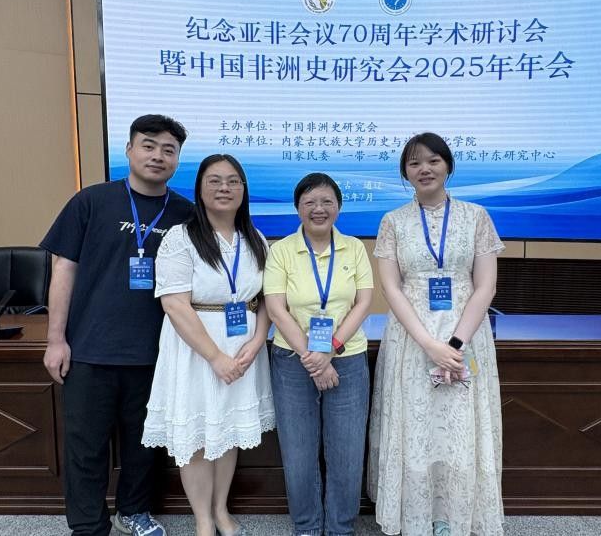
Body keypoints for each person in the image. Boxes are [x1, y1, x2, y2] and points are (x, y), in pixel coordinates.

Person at [41, 114, 193, 536]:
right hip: (90, 348)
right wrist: (55, 339)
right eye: (148, 145)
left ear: (177, 159)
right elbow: (63, 269)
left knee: (145, 444)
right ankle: (88, 526)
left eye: (168, 149)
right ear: (128, 150)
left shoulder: (186, 213)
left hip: (157, 352)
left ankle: (134, 510)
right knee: (85, 446)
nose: (158, 156)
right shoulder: (91, 201)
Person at [367, 133, 505, 536]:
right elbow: (391, 288)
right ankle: (416, 514)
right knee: (418, 422)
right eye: (414, 163)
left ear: (448, 165)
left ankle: (453, 515)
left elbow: (485, 287)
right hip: (411, 337)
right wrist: (430, 344)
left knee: (458, 422)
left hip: (467, 333)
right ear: (404, 173)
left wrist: (454, 345)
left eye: (433, 161)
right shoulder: (393, 221)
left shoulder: (476, 216)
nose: (424, 169)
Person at [141, 154, 275, 536]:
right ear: (199, 189)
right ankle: (202, 519)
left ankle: (220, 510)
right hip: (196, 350)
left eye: (233, 181)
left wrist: (257, 341)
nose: (224, 188)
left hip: (244, 350)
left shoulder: (255, 238)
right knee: (198, 436)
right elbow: (174, 304)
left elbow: (268, 297)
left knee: (228, 431)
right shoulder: (180, 238)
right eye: (214, 180)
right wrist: (215, 357)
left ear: (243, 189)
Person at [263, 172, 374, 536]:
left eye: (327, 201)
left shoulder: (354, 248)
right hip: (293, 361)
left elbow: (363, 303)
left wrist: (331, 350)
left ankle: (340, 527)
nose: (318, 209)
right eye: (309, 202)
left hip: (348, 358)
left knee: (347, 450)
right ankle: (308, 526)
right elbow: (276, 309)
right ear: (298, 208)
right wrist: (314, 358)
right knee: (298, 451)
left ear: (338, 207)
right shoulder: (281, 250)